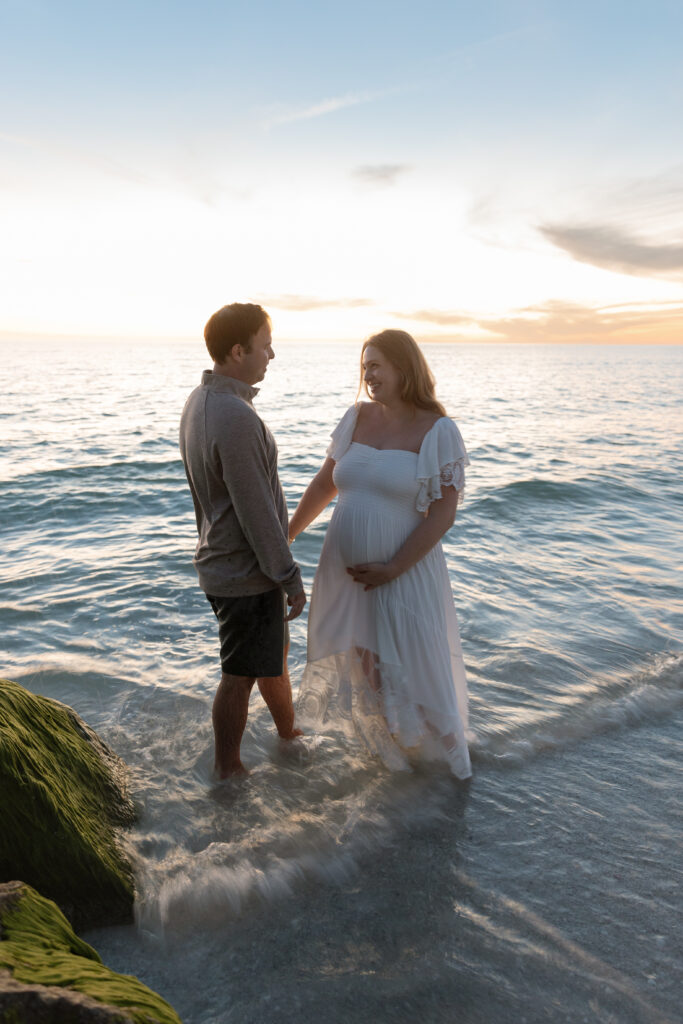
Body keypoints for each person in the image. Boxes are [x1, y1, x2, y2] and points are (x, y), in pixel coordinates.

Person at [289, 329, 471, 779]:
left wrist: (394, 567)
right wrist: (287, 534)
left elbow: (443, 513)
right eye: (364, 366)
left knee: (419, 668)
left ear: (403, 369)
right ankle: (398, 767)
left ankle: (450, 773)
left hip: (405, 571)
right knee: (367, 669)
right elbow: (324, 484)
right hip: (348, 573)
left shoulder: (437, 429)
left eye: (376, 366)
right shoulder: (356, 417)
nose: (368, 375)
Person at [179, 302, 306, 778]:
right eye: (264, 344)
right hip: (244, 572)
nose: (271, 354)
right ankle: (228, 771)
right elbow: (254, 511)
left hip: (228, 564)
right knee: (240, 674)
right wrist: (288, 575)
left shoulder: (201, 400)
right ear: (237, 350)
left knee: (268, 660)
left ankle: (288, 735)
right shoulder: (233, 415)